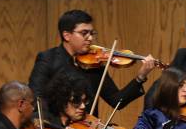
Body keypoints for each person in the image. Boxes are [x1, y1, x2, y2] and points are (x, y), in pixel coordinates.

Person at [29, 9, 159, 118]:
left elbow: (116, 101)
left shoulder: (94, 65)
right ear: (67, 35)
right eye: (84, 33)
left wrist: (140, 77)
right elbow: (37, 97)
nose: (90, 38)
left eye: (92, 33)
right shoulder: (48, 59)